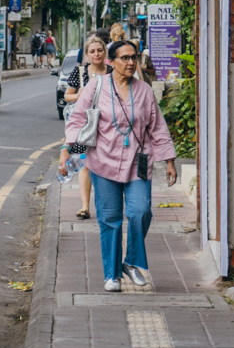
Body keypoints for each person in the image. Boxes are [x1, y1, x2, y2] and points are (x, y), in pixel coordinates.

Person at [63, 38, 178, 292]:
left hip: (138, 161)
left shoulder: (144, 91)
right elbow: (78, 119)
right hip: (102, 161)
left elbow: (157, 127)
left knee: (141, 212)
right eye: (124, 58)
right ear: (110, 61)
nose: (130, 62)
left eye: (133, 57)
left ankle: (132, 262)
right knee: (110, 219)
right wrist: (67, 149)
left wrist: (169, 160)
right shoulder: (96, 85)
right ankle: (111, 274)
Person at [58, 34, 107, 220]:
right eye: (92, 51)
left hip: (107, 125)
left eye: (100, 50)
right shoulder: (80, 73)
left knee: (105, 164)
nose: (96, 54)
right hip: (85, 125)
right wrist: (79, 95)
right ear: (86, 54)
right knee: (85, 163)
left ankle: (105, 205)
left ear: (105, 52)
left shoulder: (112, 71)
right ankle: (85, 207)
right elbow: (67, 97)